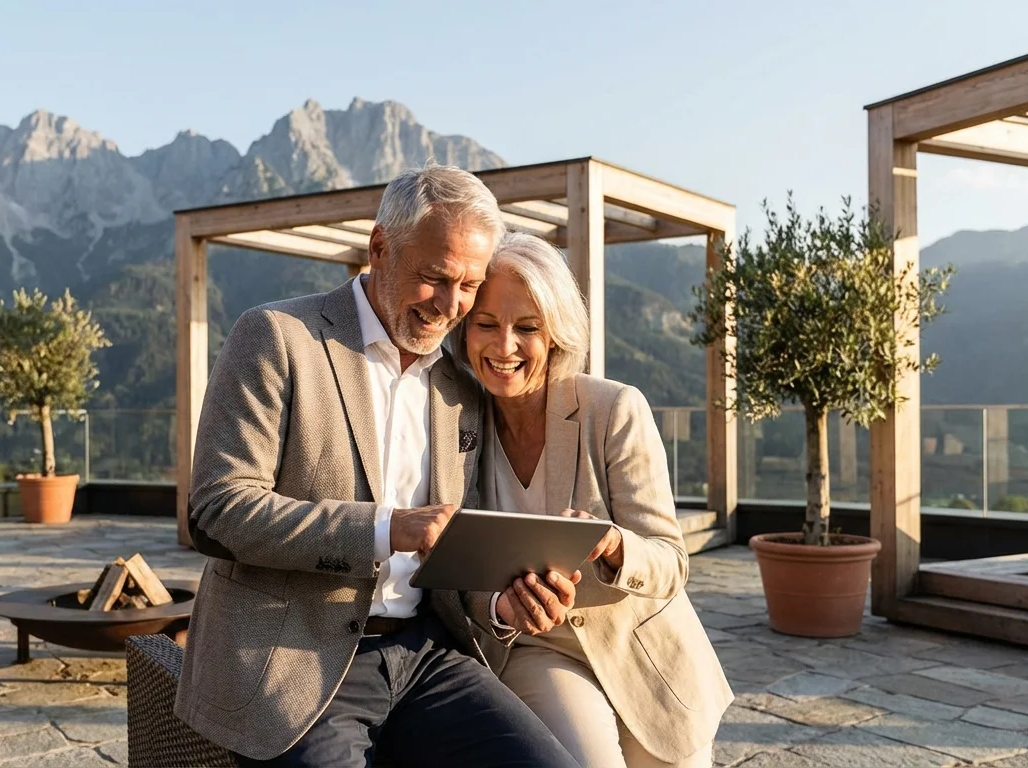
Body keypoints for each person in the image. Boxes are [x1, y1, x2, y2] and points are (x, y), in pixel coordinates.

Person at [176, 164, 580, 768]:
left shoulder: (458, 389)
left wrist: (502, 605)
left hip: (426, 658)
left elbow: (448, 555)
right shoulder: (276, 337)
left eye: (468, 286)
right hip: (295, 665)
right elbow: (217, 510)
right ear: (379, 248)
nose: (450, 307)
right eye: (434, 278)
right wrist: (388, 528)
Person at [463, 231, 734, 768]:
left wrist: (613, 545)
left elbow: (670, 561)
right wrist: (495, 607)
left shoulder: (614, 410)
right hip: (535, 648)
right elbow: (451, 568)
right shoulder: (454, 424)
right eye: (486, 324)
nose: (504, 346)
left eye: (528, 328)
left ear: (557, 333)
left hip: (643, 652)